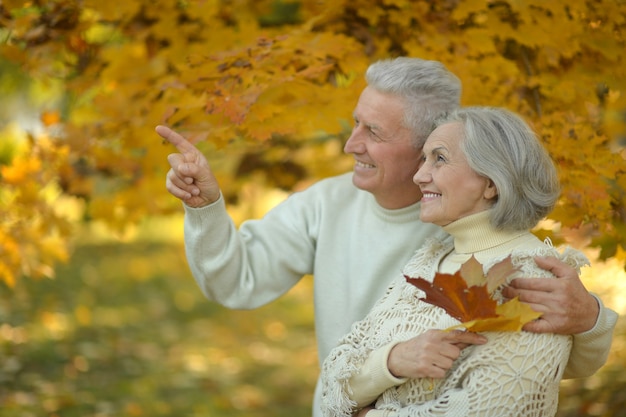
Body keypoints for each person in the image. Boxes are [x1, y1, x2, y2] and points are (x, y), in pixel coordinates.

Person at [156, 57, 617, 416]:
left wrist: (592, 318)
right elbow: (235, 281)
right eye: (355, 122)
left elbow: (534, 369)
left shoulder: (474, 231)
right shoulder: (330, 205)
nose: (350, 144)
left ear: (427, 143)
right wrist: (205, 209)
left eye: (372, 131)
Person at [320, 106, 610, 416]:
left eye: (440, 159)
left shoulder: (530, 276)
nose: (419, 176)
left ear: (491, 183)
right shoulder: (431, 258)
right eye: (423, 159)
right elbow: (330, 387)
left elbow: (492, 409)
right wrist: (392, 361)